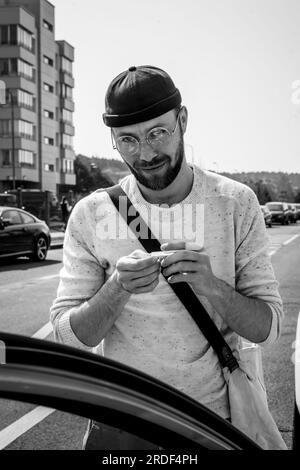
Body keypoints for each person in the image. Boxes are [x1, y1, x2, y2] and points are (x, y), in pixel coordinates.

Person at [50, 65, 284, 448]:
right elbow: (67, 338)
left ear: (183, 120)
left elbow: (268, 327)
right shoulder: (91, 214)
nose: (145, 153)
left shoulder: (236, 203)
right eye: (127, 140)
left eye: (158, 133)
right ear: (113, 139)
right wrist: (116, 290)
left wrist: (212, 287)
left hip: (213, 422)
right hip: (121, 423)